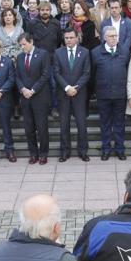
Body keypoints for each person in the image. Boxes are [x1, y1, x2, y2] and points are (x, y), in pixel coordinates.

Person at [92, 26, 130, 160]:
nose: (114, 38)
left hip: (120, 94)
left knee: (120, 123)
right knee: (105, 123)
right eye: (111, 36)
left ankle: (120, 149)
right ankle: (106, 149)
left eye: (116, 35)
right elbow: (92, 74)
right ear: (104, 37)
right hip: (103, 95)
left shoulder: (125, 51)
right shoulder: (96, 53)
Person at [54, 28, 90, 162]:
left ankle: (83, 151)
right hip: (64, 94)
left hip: (79, 94)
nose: (68, 40)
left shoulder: (85, 52)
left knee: (81, 124)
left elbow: (87, 73)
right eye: (66, 38)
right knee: (64, 125)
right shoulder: (58, 53)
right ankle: (65, 151)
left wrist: (77, 87)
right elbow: (56, 72)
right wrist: (67, 87)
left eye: (71, 37)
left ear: (76, 38)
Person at [15, 33, 52, 164]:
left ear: (31, 42)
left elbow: (45, 74)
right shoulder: (19, 57)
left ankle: (43, 154)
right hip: (25, 98)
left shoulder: (43, 54)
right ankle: (33, 153)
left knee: (42, 128)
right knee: (29, 129)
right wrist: (23, 89)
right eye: (20, 45)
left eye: (24, 44)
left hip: (40, 97)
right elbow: (17, 76)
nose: (22, 47)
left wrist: (33, 89)